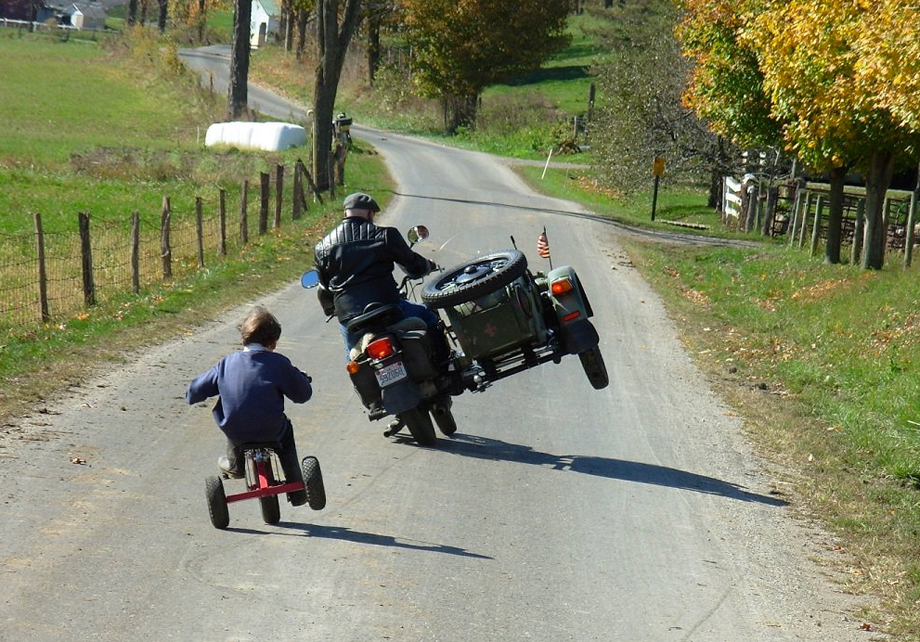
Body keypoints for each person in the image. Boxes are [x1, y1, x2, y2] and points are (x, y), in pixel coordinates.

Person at [185, 306, 313, 506]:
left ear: (243, 337)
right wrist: (303, 380)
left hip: (236, 431)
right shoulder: (278, 363)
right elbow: (303, 395)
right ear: (273, 342)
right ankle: (296, 488)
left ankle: (235, 465)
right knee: (285, 432)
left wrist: (190, 395)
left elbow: (195, 391)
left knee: (235, 420)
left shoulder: (225, 364)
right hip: (272, 430)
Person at [313, 192, 445, 356]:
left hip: (352, 319)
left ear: (345, 213)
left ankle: (359, 378)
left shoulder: (322, 248)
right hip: (389, 308)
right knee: (428, 315)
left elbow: (324, 287)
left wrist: (332, 308)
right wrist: (427, 266)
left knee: (354, 356)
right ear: (370, 213)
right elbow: (413, 264)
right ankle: (447, 368)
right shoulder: (385, 235)